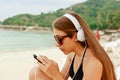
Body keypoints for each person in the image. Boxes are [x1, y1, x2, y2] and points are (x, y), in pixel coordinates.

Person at [29, 12, 116, 80]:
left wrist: (55, 74)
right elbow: (61, 77)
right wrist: (50, 69)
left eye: (59, 39)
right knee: (36, 71)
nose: (57, 44)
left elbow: (58, 78)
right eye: (55, 39)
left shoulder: (93, 63)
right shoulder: (72, 54)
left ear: (76, 36)